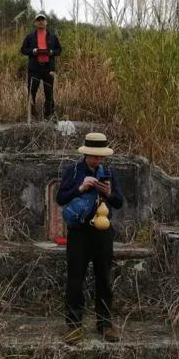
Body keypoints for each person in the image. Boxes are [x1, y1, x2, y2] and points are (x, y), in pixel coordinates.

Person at [55, 132, 123, 344]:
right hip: (79, 233)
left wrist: (109, 193)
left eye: (101, 156)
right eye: (95, 156)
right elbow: (60, 198)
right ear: (86, 154)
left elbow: (119, 202)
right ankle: (73, 326)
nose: (98, 160)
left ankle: (104, 324)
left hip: (103, 233)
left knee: (103, 278)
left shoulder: (109, 172)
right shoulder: (73, 171)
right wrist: (81, 188)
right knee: (75, 278)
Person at [20, 12, 62, 120]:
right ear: (35, 23)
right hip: (34, 69)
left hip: (48, 69)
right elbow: (23, 50)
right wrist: (33, 51)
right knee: (31, 93)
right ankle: (33, 116)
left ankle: (49, 116)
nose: (41, 22)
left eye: (42, 20)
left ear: (46, 22)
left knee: (49, 94)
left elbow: (59, 50)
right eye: (38, 20)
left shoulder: (52, 36)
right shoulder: (30, 36)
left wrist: (51, 52)